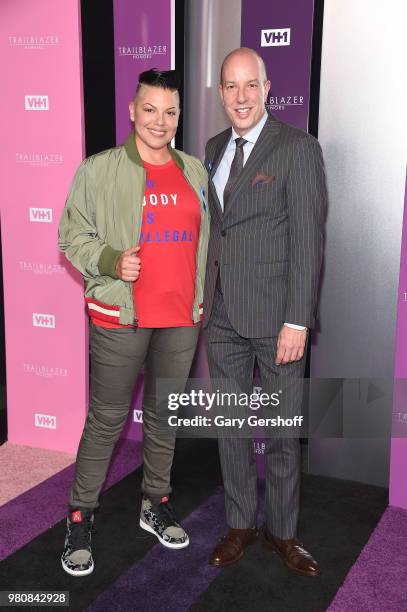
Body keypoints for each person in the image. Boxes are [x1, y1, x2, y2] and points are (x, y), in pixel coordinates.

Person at [58, 69, 209, 576]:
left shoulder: (194, 172)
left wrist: (201, 299)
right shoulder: (98, 170)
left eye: (170, 112)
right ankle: (80, 516)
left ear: (178, 116)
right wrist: (109, 260)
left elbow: (207, 243)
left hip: (180, 321)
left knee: (165, 419)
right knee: (106, 422)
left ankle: (156, 503)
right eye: (150, 109)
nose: (159, 121)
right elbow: (70, 236)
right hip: (121, 317)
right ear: (132, 111)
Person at [203, 48, 327, 575]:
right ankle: (239, 524)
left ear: (268, 88)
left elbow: (308, 240)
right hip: (222, 316)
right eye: (230, 87)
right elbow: (215, 230)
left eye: (249, 85)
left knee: (280, 430)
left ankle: (282, 533)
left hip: (278, 320)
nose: (240, 97)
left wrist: (298, 319)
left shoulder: (297, 148)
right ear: (221, 93)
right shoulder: (211, 148)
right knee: (231, 427)